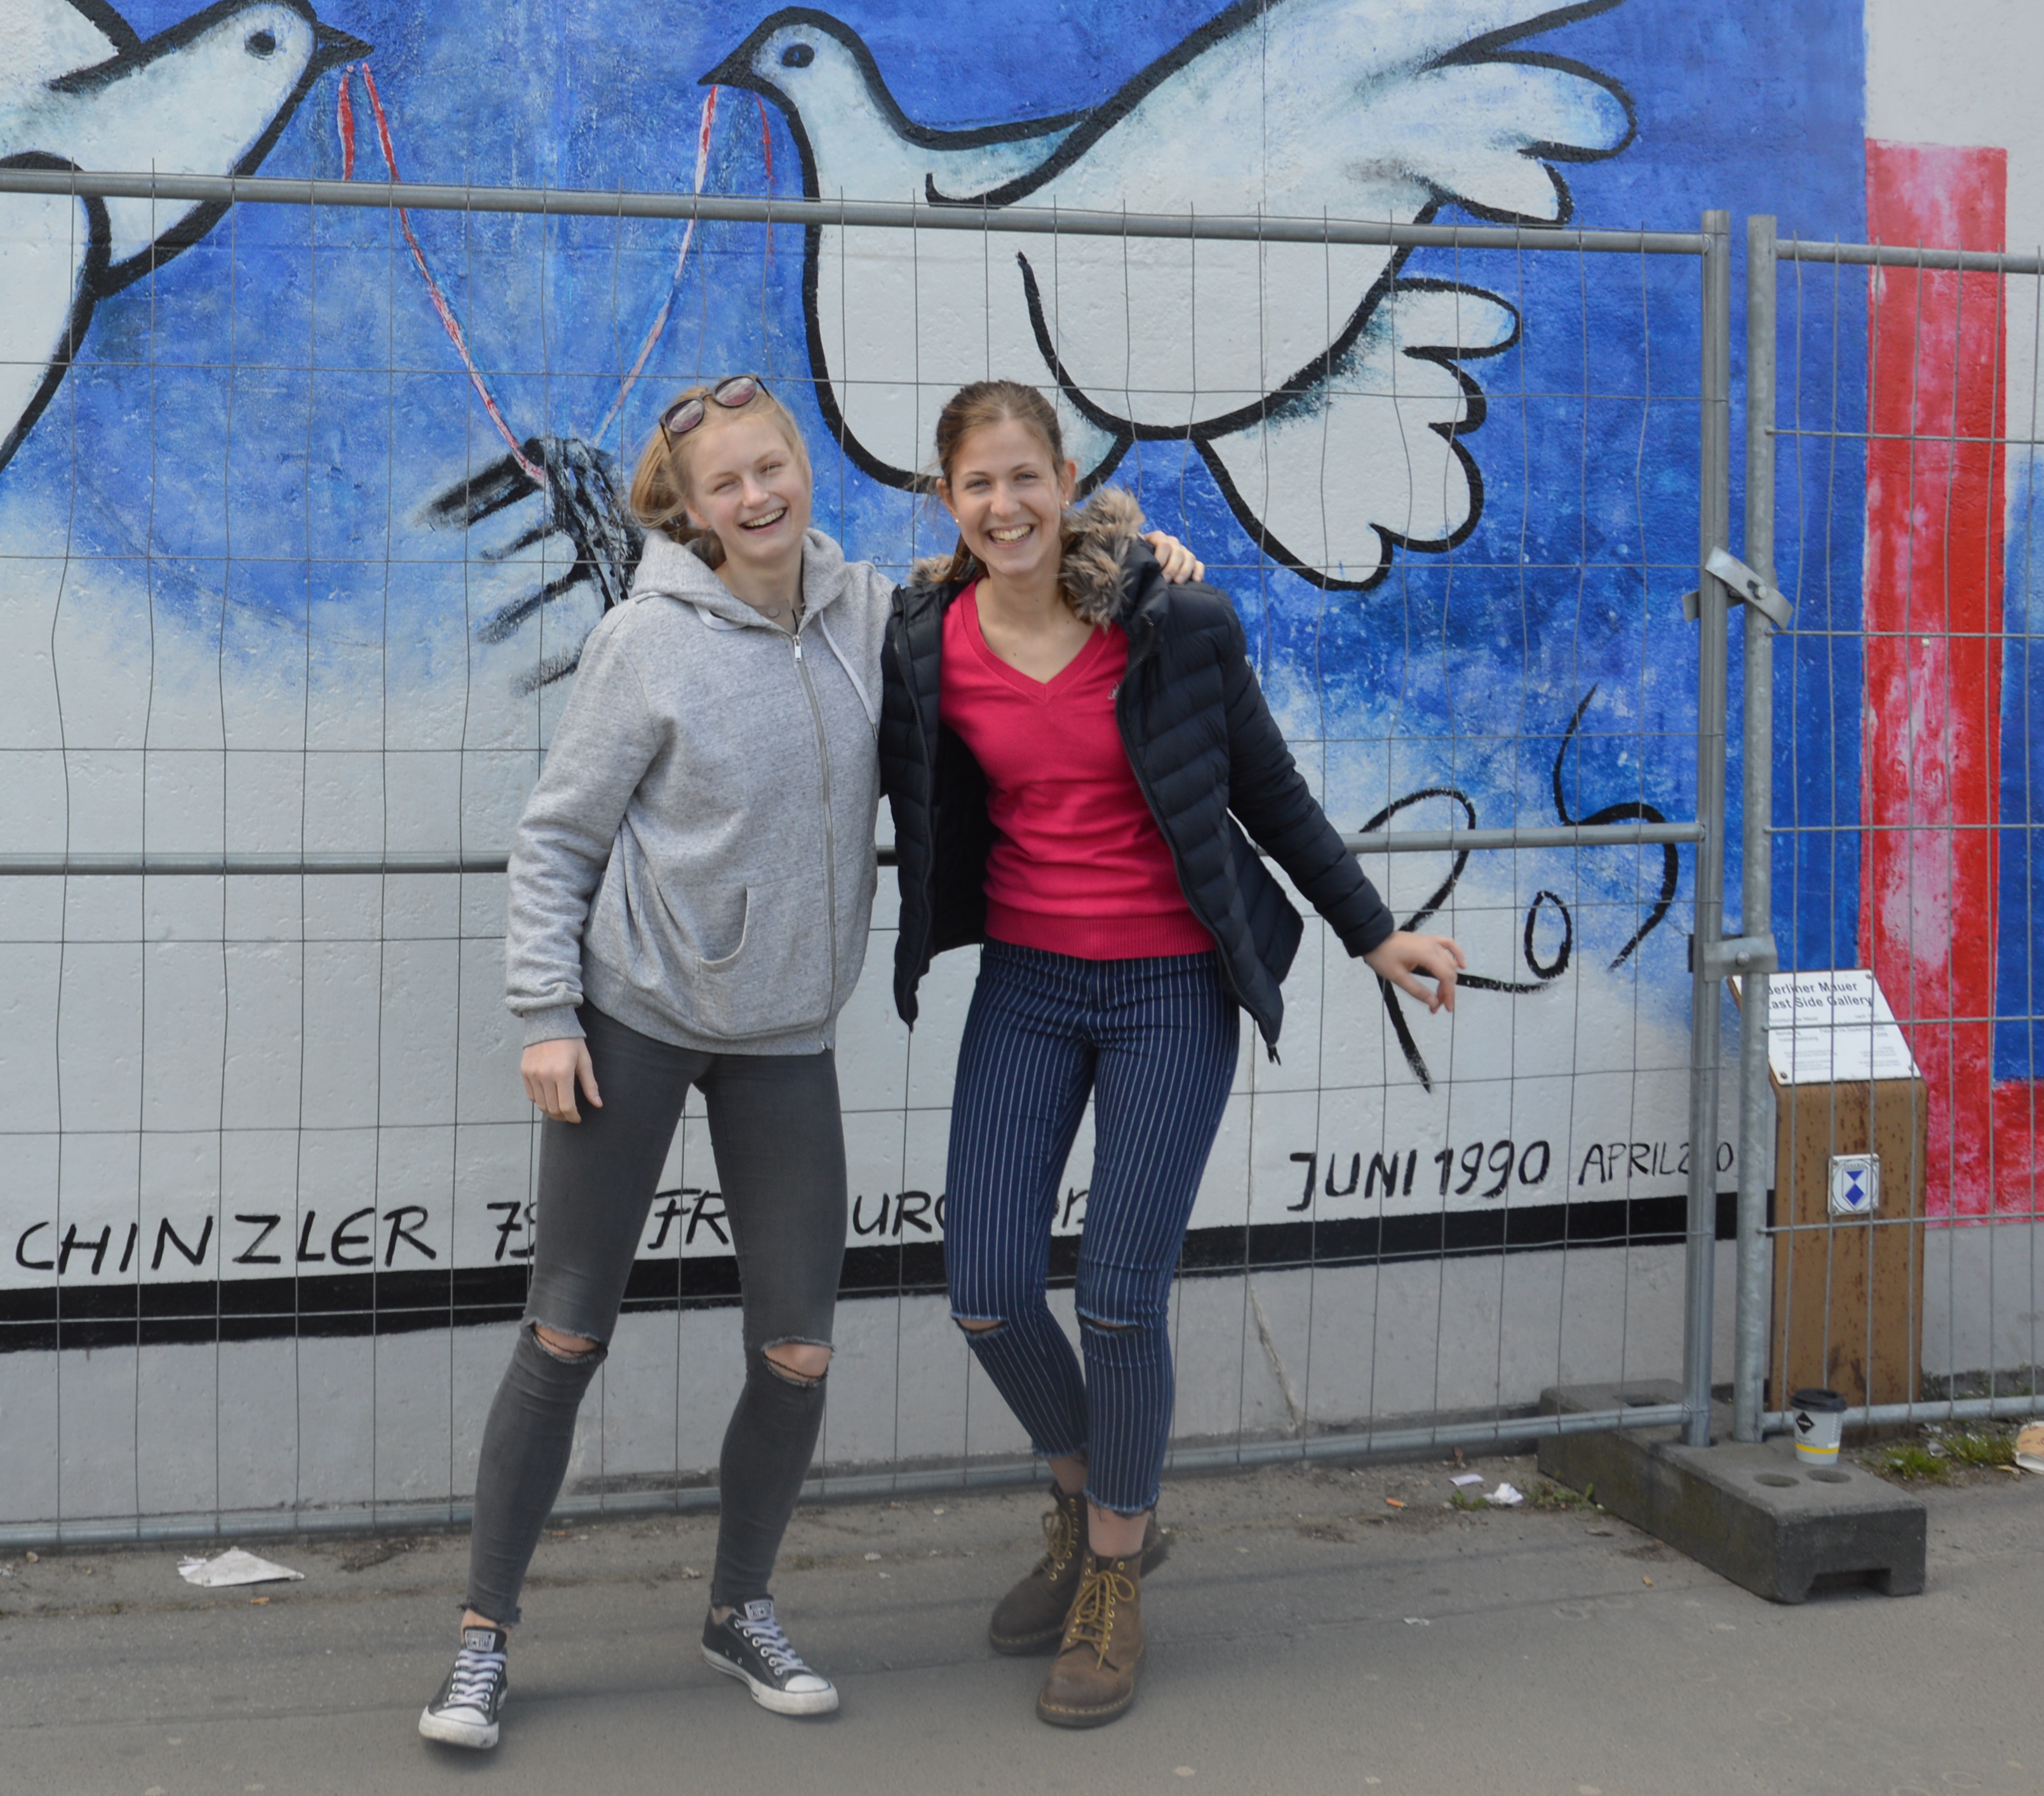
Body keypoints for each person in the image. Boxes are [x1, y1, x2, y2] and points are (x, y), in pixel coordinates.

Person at [415, 372, 1197, 1750]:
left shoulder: (868, 613)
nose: (757, 494)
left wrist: (1139, 562)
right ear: (690, 506)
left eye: (772, 466)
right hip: (634, 1022)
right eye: (726, 483)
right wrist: (544, 1009)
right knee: (565, 1330)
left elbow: (1015, 570)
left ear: (801, 468)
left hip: (783, 1035)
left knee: (792, 1348)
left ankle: (739, 1608)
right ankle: (480, 1640)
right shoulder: (643, 639)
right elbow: (556, 835)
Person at [877, 378, 1466, 1731]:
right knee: (981, 1286)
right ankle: (1090, 1501)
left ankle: (1115, 1574)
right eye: (977, 482)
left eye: (1026, 475)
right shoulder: (925, 639)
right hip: (1024, 984)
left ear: (1065, 473)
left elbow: (1267, 790)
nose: (1005, 504)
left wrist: (1373, 931)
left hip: (1167, 989)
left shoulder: (1171, 619)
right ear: (945, 495)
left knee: (1121, 1299)